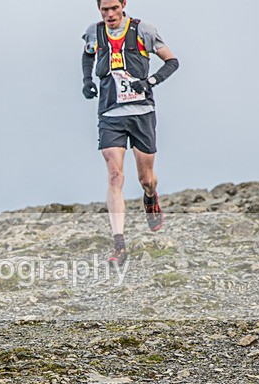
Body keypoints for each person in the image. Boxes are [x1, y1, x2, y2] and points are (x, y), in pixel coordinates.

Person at [82, 0, 179, 265]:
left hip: (141, 113)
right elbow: (88, 54)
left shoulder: (143, 30)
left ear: (124, 4)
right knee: (115, 175)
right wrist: (88, 80)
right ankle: (119, 245)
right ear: (98, 9)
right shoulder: (95, 32)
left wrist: (150, 81)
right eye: (105, 10)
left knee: (146, 178)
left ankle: (150, 198)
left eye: (114, 8)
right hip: (110, 114)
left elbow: (172, 61)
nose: (110, 14)